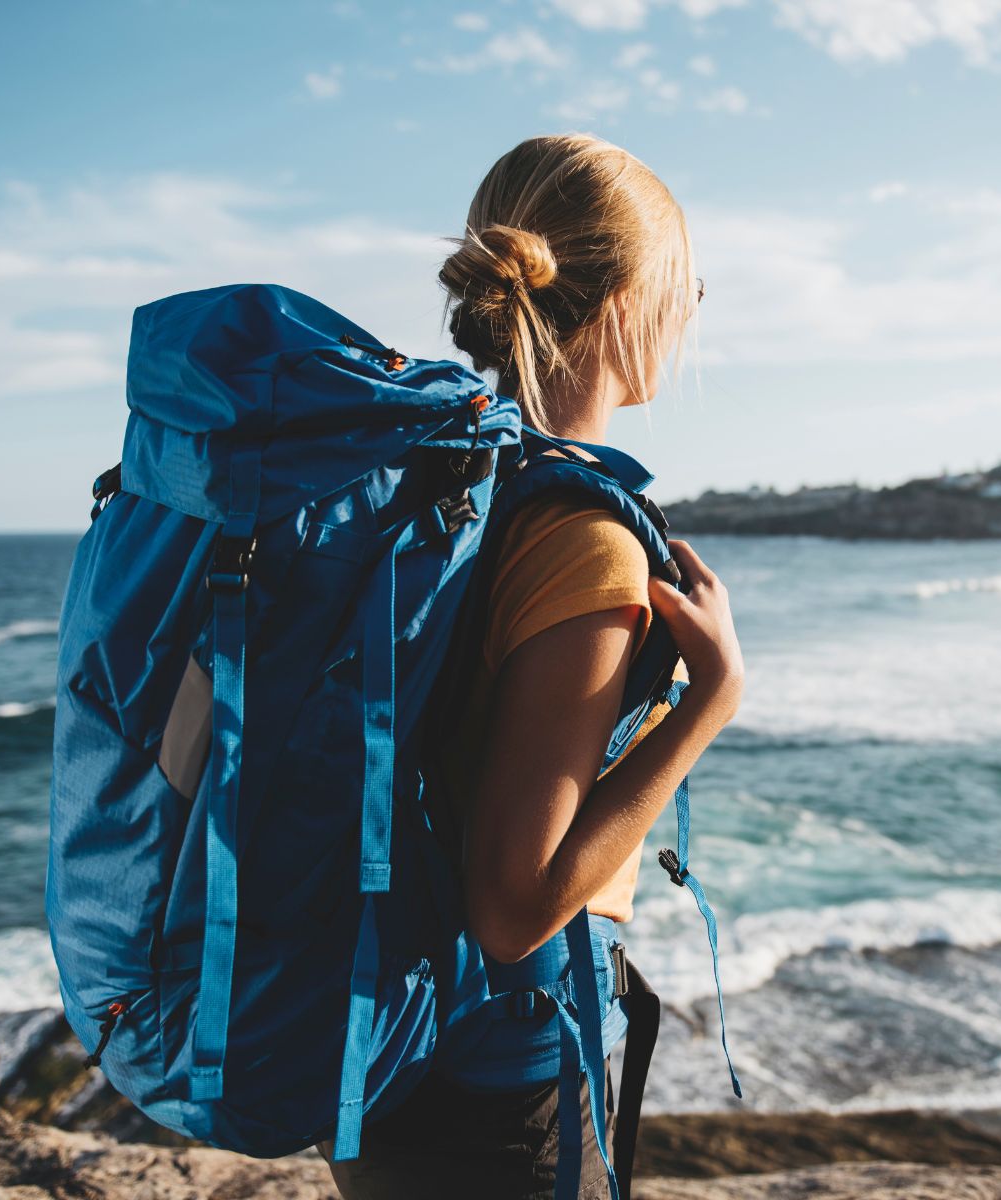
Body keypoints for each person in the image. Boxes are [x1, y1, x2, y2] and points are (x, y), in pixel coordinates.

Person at [317, 133, 744, 1199]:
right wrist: (711, 705)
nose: (694, 308)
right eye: (685, 284)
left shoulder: (447, 491)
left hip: (387, 1046)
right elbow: (514, 907)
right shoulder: (584, 539)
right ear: (619, 304)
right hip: (493, 1082)